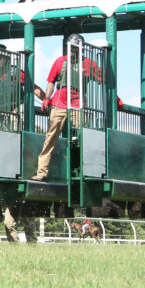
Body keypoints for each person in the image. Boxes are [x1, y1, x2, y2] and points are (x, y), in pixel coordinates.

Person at [31, 33, 92, 181]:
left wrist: (116, 100)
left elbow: (104, 81)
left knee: (85, 135)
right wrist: (47, 99)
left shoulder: (88, 64)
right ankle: (42, 172)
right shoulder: (60, 61)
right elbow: (51, 82)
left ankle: (88, 170)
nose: (72, 50)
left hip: (78, 104)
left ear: (81, 48)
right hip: (59, 103)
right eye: (70, 47)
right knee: (50, 136)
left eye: (75, 47)